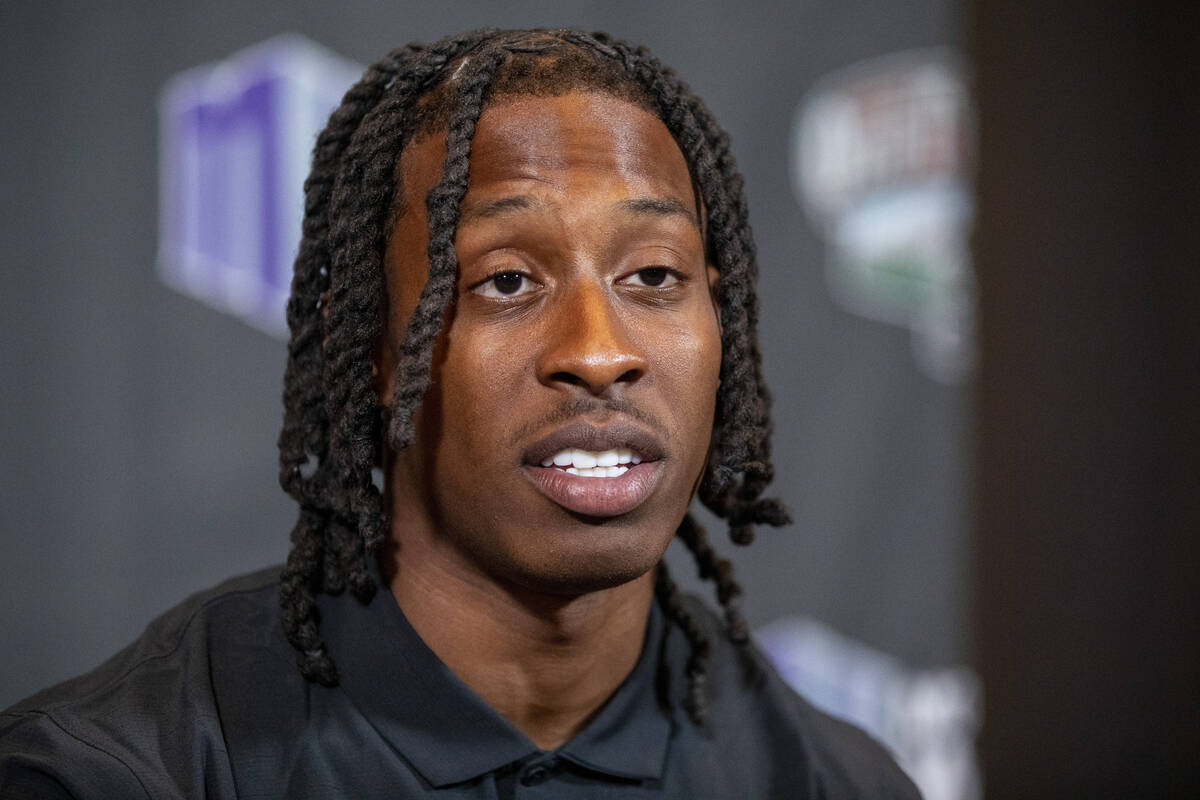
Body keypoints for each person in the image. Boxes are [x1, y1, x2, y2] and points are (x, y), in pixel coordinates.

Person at [0, 29, 920, 798]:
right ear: (372, 348)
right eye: (506, 280)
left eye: (653, 276)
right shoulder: (130, 769)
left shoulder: (836, 780)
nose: (600, 351)